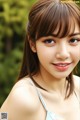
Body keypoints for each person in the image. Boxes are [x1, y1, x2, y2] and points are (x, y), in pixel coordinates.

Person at [0, 0, 80, 120]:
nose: (63, 53)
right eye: (49, 41)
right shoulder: (24, 98)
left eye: (73, 40)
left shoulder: (78, 87)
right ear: (33, 44)